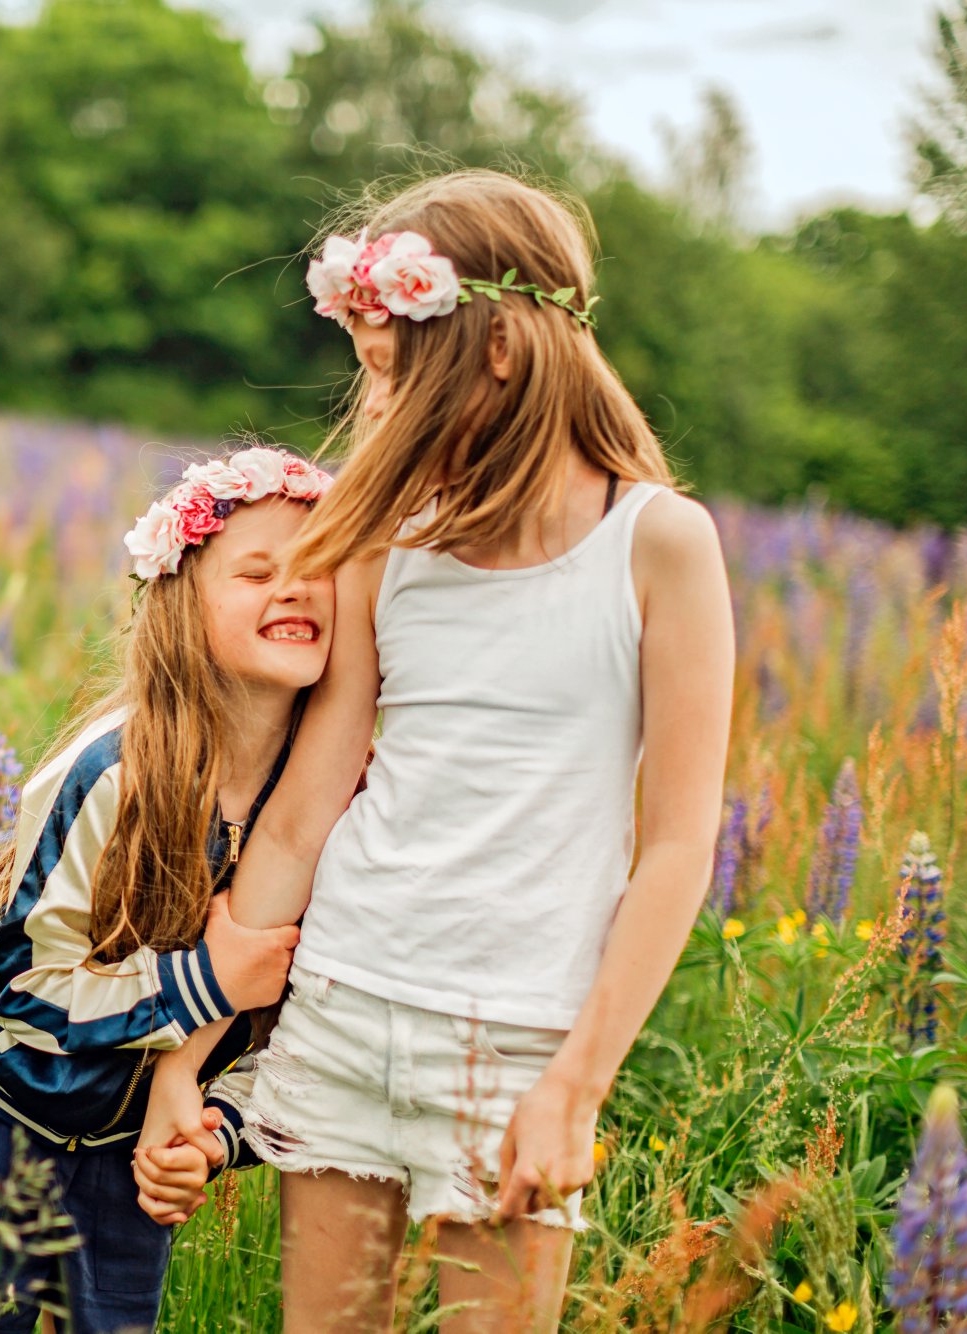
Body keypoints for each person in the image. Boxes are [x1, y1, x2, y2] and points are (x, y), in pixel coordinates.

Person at [132, 170, 736, 1333]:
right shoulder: (388, 534)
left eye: (399, 374)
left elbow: (674, 847)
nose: (377, 412)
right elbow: (309, 806)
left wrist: (576, 1083)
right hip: (347, 1002)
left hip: (519, 1043)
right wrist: (183, 1048)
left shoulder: (658, 543)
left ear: (499, 347)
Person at [0, 445, 336, 1333]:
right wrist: (205, 984)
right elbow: (29, 988)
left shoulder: (331, 798)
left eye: (318, 569)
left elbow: (312, 1022)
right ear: (183, 606)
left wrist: (218, 1127)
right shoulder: (116, 772)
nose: (294, 588)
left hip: (124, 1148)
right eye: (257, 571)